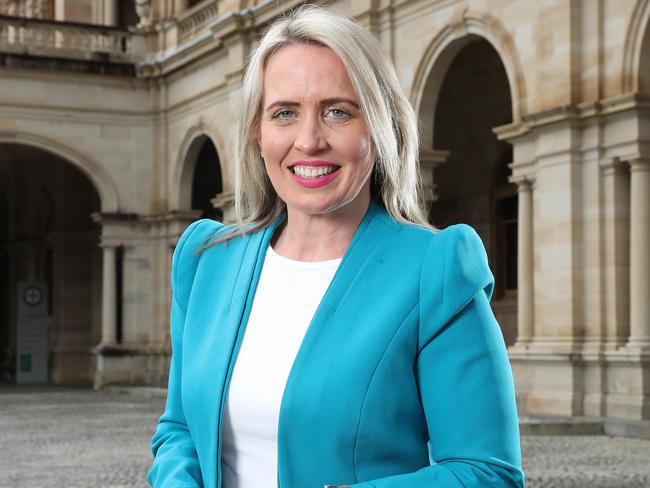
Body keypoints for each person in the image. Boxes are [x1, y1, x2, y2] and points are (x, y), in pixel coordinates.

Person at [148, 5, 525, 488]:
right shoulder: (205, 261)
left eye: (337, 112)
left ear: (379, 126)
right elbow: (179, 428)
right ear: (257, 133)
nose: (309, 140)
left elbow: (486, 473)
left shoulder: (438, 269)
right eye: (284, 113)